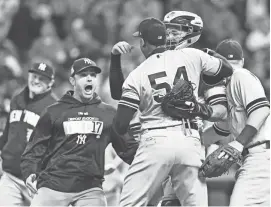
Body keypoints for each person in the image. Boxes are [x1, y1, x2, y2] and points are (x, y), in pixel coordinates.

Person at [109, 11, 229, 206]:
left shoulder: (139, 72)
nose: (172, 35)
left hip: (158, 141)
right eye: (169, 30)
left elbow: (120, 122)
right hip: (189, 141)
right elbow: (226, 69)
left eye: (176, 30)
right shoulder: (193, 56)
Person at [20, 58, 137, 206]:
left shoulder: (109, 114)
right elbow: (35, 148)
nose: (89, 78)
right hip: (53, 185)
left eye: (93, 75)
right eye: (83, 75)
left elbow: (128, 148)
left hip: (90, 189)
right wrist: (30, 171)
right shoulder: (53, 112)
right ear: (72, 80)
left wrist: (151, 161)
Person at [202, 39, 270, 206]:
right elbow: (220, 130)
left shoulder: (239, 75)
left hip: (261, 156)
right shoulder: (231, 84)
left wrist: (238, 143)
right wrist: (192, 140)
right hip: (258, 157)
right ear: (242, 59)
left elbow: (262, 110)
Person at [0, 62, 56, 206]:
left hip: (37, 181)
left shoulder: (54, 109)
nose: (36, 81)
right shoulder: (17, 99)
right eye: (34, 76)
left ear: (51, 83)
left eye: (42, 78)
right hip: (11, 176)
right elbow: (7, 134)